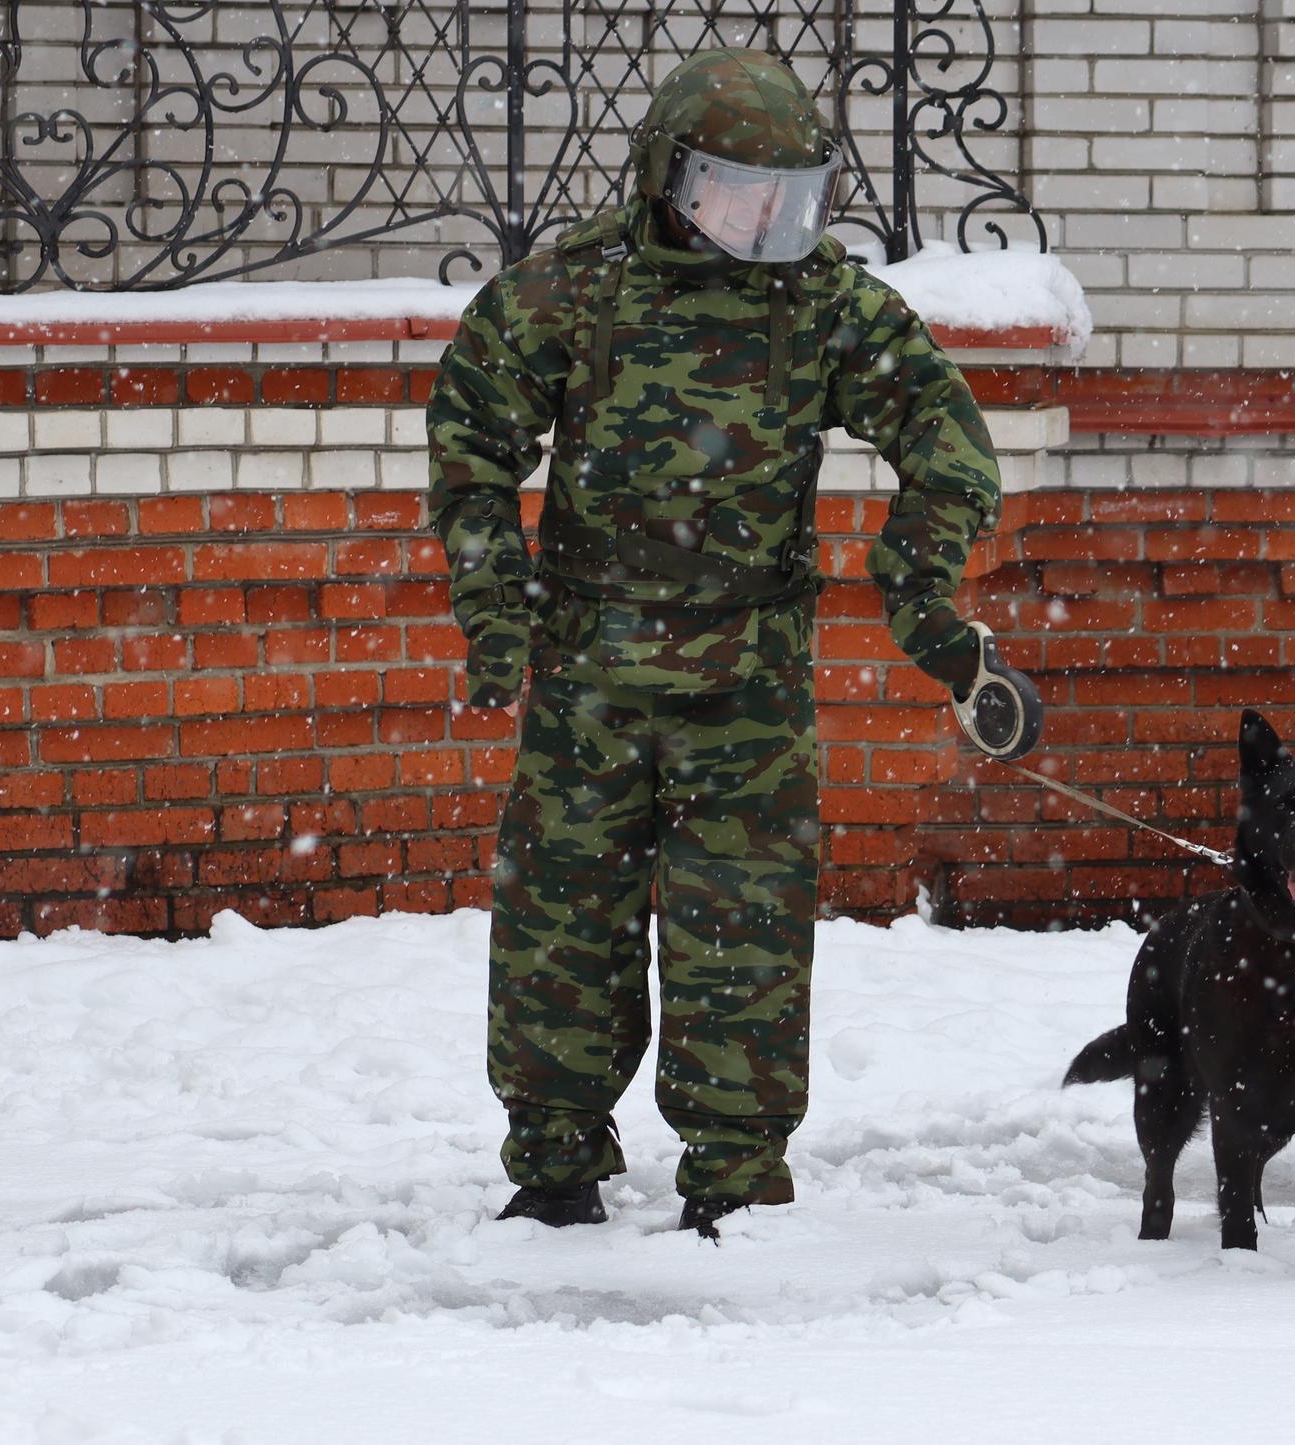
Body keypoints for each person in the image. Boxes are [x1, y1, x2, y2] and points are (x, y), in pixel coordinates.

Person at [425, 48, 1043, 1239]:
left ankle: (736, 1179)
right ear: (667, 179)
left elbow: (947, 440)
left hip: (748, 695)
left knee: (743, 936)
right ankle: (553, 1164)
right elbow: (470, 450)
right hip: (588, 685)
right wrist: (496, 613)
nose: (762, 224)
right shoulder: (569, 294)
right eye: (733, 195)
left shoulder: (818, 301)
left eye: (787, 200)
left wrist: (923, 606)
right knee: (562, 927)